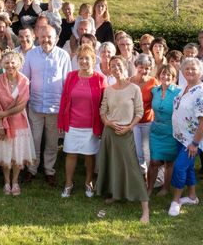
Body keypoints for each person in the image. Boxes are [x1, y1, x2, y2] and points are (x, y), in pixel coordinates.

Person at [97, 56, 150, 223]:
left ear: (125, 66)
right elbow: (102, 111)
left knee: (133, 168)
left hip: (126, 133)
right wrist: (108, 123)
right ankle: (115, 194)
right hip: (110, 133)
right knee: (113, 165)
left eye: (118, 65)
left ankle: (145, 209)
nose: (116, 68)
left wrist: (129, 127)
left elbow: (139, 112)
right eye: (112, 66)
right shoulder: (109, 89)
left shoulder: (134, 88)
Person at [22, 25, 71, 186]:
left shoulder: (63, 56)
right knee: (34, 140)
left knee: (51, 142)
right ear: (38, 38)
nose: (46, 40)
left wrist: (65, 110)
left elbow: (67, 85)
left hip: (55, 108)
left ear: (56, 37)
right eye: (43, 37)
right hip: (35, 106)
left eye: (49, 37)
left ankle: (49, 170)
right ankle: (32, 169)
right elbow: (25, 80)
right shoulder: (31, 55)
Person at [58, 45, 107, 199]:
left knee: (89, 155)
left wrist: (103, 125)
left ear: (93, 60)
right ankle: (68, 183)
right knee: (71, 154)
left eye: (87, 58)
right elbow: (64, 100)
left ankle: (88, 182)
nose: (84, 61)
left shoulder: (100, 79)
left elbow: (104, 104)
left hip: (91, 126)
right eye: (81, 58)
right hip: (72, 124)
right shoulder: (71, 76)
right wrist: (61, 122)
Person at [168, 57, 203, 217]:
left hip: (192, 141)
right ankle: (192, 196)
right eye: (187, 69)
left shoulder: (201, 93)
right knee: (188, 167)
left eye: (194, 69)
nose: (190, 71)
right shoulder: (185, 87)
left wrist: (194, 143)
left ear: (200, 72)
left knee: (179, 167)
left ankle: (176, 200)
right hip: (181, 137)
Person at [0, 51, 36, 196]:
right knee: (5, 153)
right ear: (3, 64)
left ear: (19, 64)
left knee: (17, 153)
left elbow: (22, 105)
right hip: (3, 124)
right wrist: (1, 124)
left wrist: (4, 114)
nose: (10, 65)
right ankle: (6, 182)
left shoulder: (24, 81)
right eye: (7, 62)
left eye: (13, 62)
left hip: (19, 121)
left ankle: (15, 181)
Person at [148, 65, 180, 196]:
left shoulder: (178, 92)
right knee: (154, 161)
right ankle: (149, 188)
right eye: (163, 74)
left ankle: (166, 188)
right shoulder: (154, 91)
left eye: (169, 75)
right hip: (156, 130)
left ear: (173, 78)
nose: (165, 77)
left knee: (169, 161)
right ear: (159, 75)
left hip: (171, 131)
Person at [130, 54, 158, 176]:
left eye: (147, 68)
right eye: (141, 67)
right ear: (136, 66)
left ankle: (150, 176)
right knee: (137, 151)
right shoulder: (129, 81)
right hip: (133, 122)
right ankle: (140, 176)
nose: (144, 71)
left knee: (147, 151)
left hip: (148, 121)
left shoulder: (153, 82)